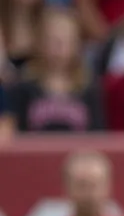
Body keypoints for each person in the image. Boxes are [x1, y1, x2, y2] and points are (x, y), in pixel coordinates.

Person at [0, 8, 104, 138]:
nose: (59, 49)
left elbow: (98, 135)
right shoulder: (23, 87)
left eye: (66, 41)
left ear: (77, 44)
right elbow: (14, 134)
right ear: (41, 43)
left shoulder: (89, 88)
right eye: (54, 41)